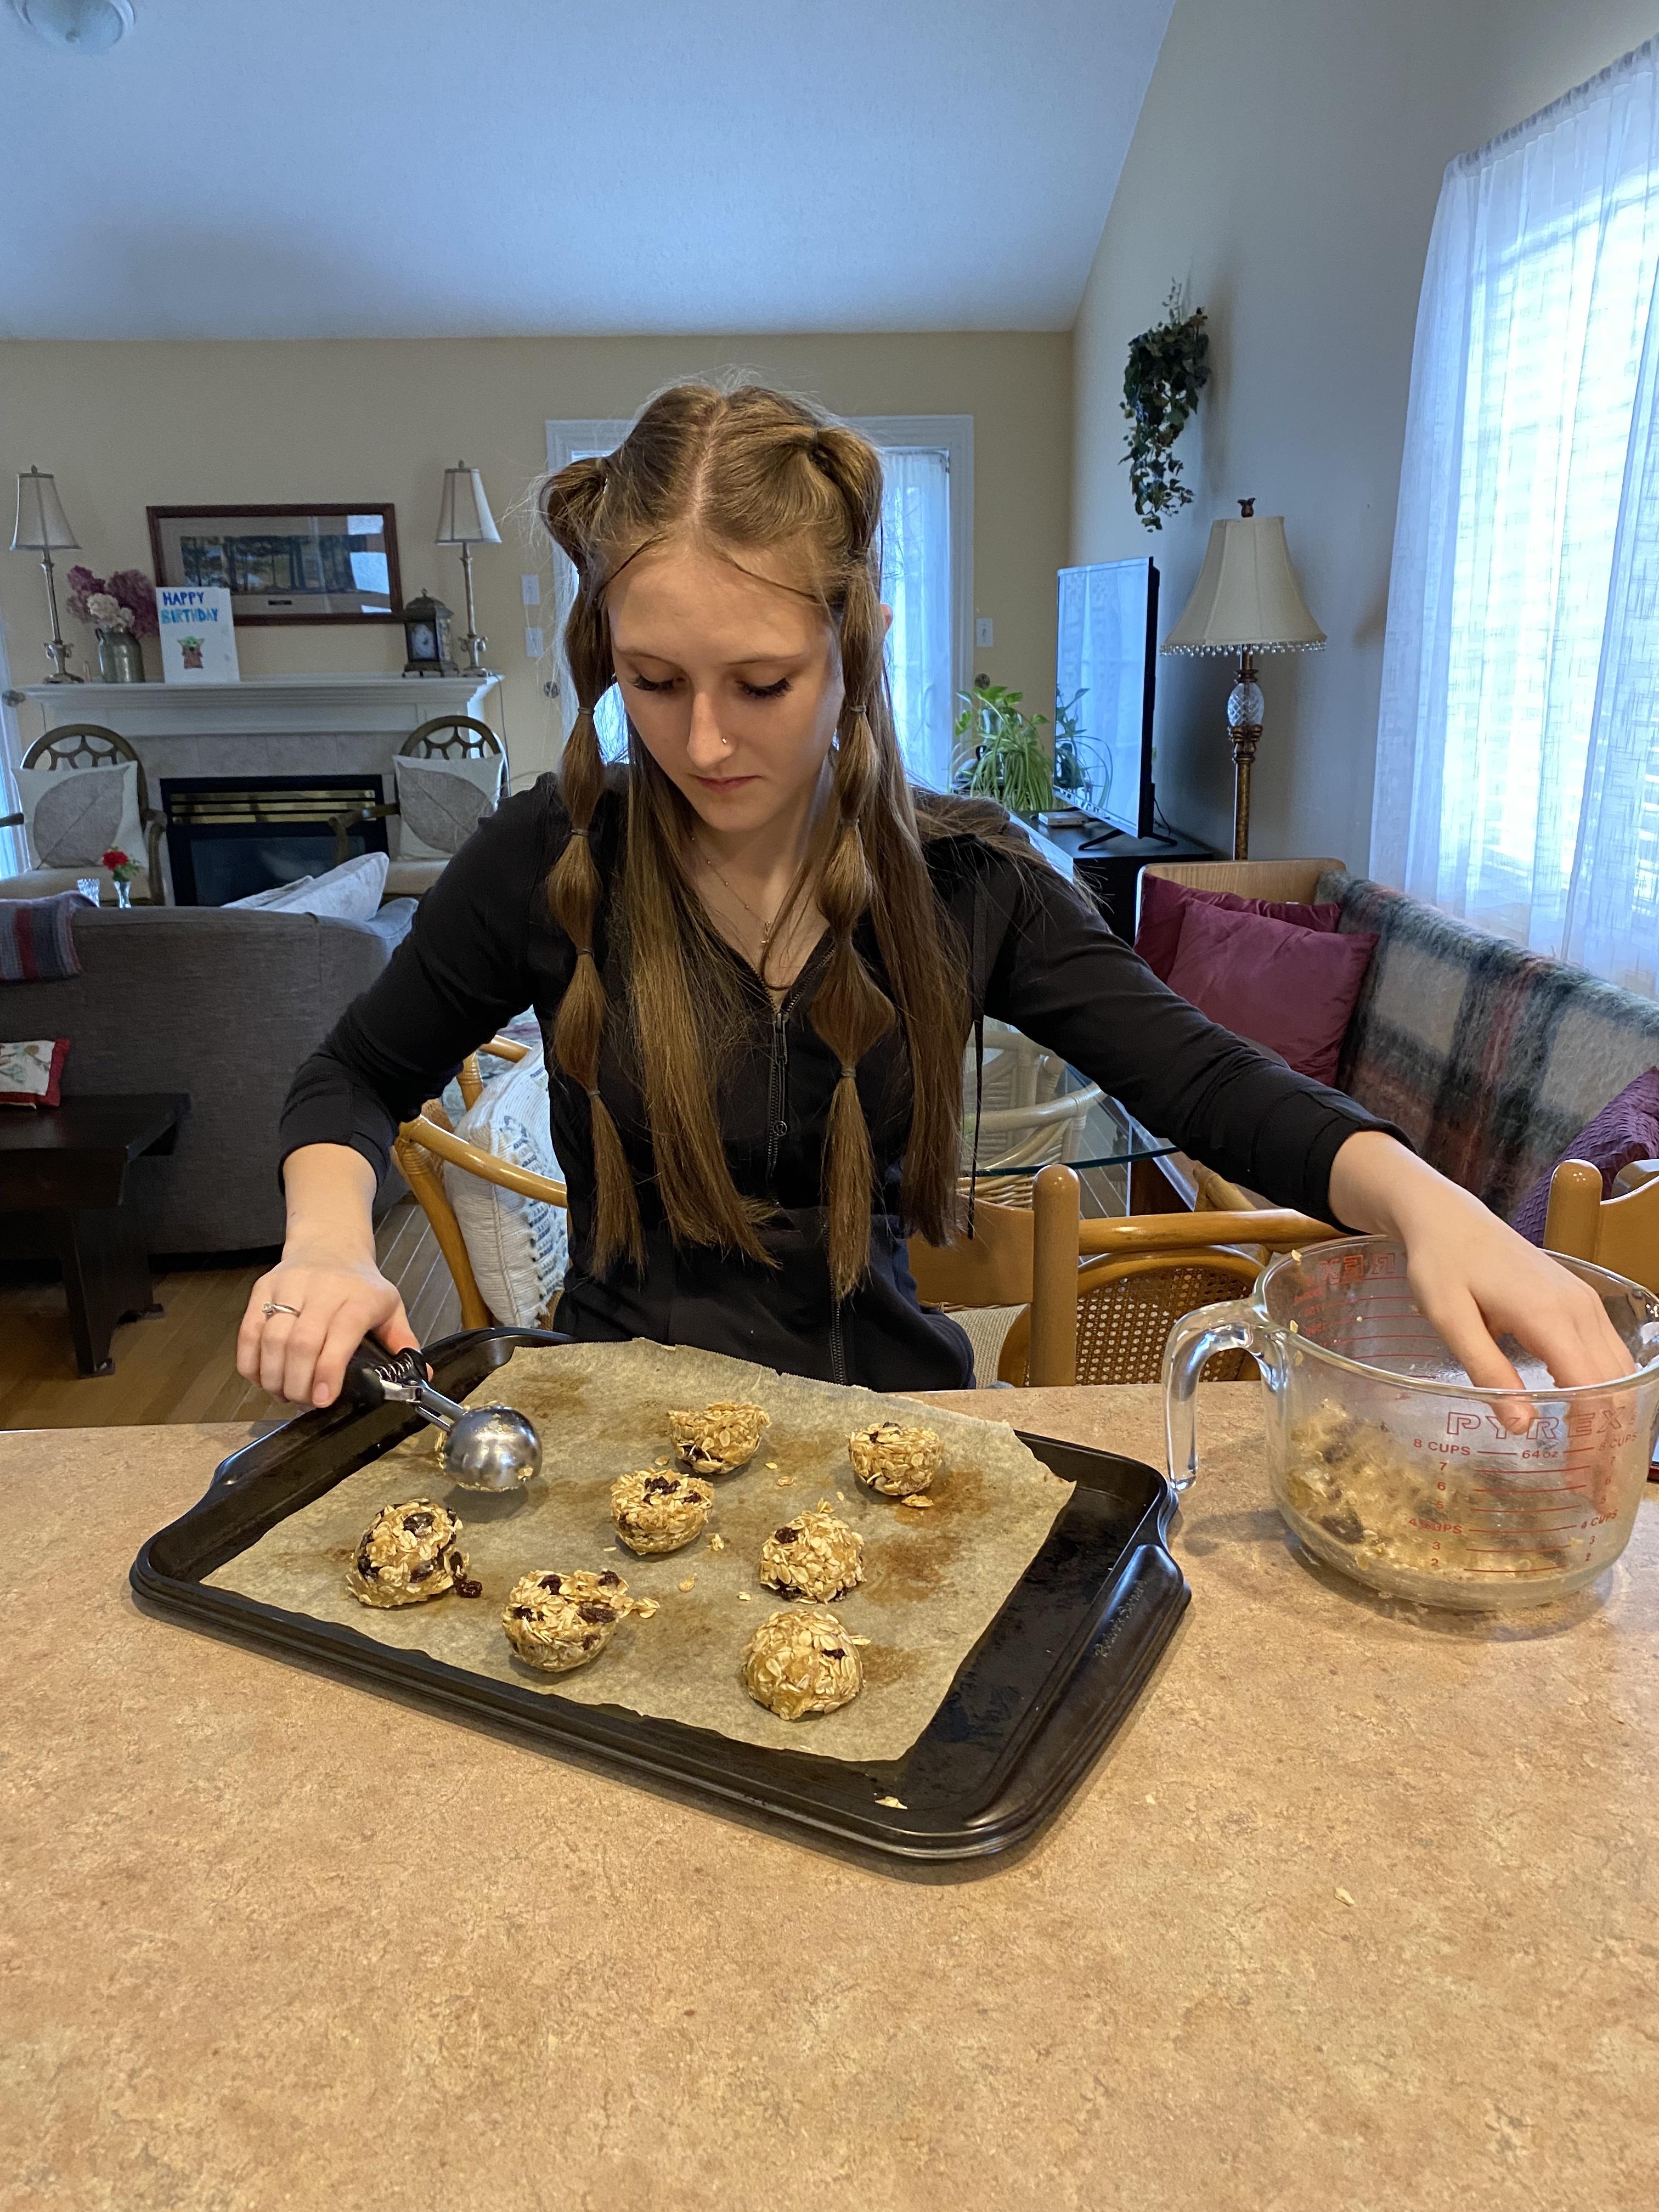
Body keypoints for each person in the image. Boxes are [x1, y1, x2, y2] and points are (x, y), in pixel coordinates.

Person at [239, 381, 1629, 1412]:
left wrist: (1426, 1202)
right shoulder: (547, 860)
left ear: (858, 644)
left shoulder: (971, 882)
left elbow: (1204, 1079)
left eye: (761, 683)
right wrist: (327, 1242)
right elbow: (350, 1075)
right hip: (619, 1429)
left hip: (895, 1435)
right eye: (653, 683)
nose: (703, 743)